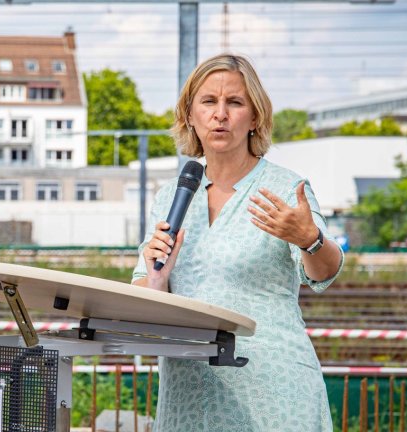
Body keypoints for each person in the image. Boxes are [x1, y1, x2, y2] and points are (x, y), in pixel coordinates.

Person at [132, 54, 344, 431]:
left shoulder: (284, 187)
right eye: (209, 102)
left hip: (273, 390)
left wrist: (310, 239)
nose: (220, 114)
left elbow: (325, 273)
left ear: (255, 117)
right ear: (190, 116)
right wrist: (155, 281)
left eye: (235, 102)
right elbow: (143, 294)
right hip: (189, 392)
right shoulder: (171, 196)